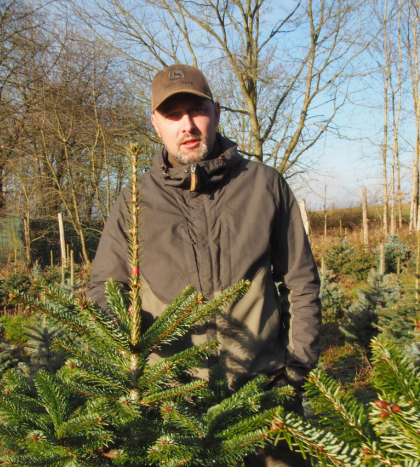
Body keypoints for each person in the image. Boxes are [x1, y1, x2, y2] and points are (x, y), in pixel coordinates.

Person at [87, 64, 321, 466]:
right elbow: (105, 292)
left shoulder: (264, 185)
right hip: (172, 407)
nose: (187, 125)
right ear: (155, 124)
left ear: (215, 112)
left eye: (196, 110)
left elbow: (300, 282)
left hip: (262, 398)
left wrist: (295, 373)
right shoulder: (135, 200)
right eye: (173, 115)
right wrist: (131, 382)